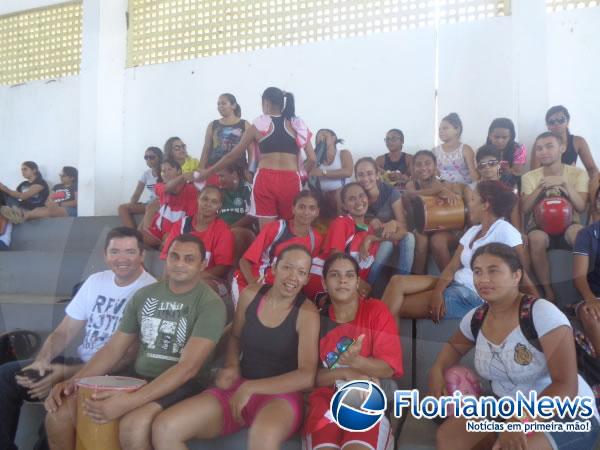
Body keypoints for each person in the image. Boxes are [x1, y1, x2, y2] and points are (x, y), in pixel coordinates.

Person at [44, 234, 227, 450]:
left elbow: (188, 368)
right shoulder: (144, 295)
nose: (179, 264)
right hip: (138, 377)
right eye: (174, 256)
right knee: (60, 413)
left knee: (133, 425)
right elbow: (114, 348)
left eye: (189, 259)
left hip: (184, 384)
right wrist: (76, 381)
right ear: (165, 258)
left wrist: (129, 402)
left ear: (202, 264)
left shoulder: (210, 304)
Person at [430, 243, 600, 450]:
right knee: (449, 437)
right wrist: (437, 371)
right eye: (477, 272)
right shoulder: (476, 318)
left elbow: (566, 386)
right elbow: (452, 349)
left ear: (516, 275)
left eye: (493, 271)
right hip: (506, 408)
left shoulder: (541, 313)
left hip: (564, 411)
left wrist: (521, 420)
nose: (483, 279)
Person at [0, 227, 155, 450]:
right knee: (7, 376)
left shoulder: (150, 290)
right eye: (115, 251)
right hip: (79, 364)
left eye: (130, 252)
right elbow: (64, 331)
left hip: (115, 375)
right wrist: (42, 361)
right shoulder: (96, 281)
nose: (122, 259)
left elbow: (125, 358)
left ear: (142, 255)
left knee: (58, 409)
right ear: (105, 255)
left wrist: (66, 374)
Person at [151, 245, 319, 450]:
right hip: (238, 386)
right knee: (165, 428)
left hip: (281, 396)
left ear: (307, 279)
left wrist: (251, 388)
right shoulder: (250, 295)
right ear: (274, 268)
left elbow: (306, 376)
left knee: (261, 439)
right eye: (287, 268)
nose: (293, 277)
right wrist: (231, 365)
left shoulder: (307, 312)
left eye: (301, 272)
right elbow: (235, 336)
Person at [383, 180, 536, 321]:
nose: (468, 205)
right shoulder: (473, 231)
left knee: (395, 305)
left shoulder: (505, 230)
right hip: (456, 282)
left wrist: (540, 308)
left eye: (473, 200)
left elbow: (523, 274)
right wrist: (438, 292)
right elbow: (451, 267)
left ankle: (372, 344)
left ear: (485, 205)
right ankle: (377, 345)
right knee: (397, 282)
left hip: (471, 295)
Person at [302, 253, 403, 450]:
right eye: (335, 275)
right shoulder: (316, 320)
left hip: (367, 400)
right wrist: (346, 371)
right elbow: (309, 377)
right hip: (324, 403)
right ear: (324, 282)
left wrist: (357, 362)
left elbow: (388, 368)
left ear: (358, 282)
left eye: (349, 275)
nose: (342, 281)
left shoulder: (376, 311)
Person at [194, 87, 317, 229]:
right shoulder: (297, 125)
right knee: (289, 228)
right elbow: (312, 159)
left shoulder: (258, 125)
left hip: (265, 179)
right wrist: (299, 176)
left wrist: (207, 173)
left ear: (266, 103)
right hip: (291, 179)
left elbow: (232, 155)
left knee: (267, 232)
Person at [306, 182, 403, 302]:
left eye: (362, 196)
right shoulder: (342, 222)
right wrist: (357, 281)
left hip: (353, 284)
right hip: (325, 279)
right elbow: (336, 257)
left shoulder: (372, 228)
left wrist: (371, 238)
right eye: (352, 199)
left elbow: (404, 234)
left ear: (367, 199)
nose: (358, 202)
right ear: (345, 206)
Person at [522, 131, 589, 301]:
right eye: (539, 148)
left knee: (580, 235)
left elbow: (581, 207)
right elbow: (525, 208)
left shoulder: (578, 174)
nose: (543, 151)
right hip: (539, 226)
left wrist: (564, 184)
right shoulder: (529, 177)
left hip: (569, 224)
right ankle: (548, 292)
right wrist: (540, 188)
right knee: (536, 239)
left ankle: (586, 289)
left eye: (549, 146)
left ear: (562, 148)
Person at [232, 190, 322, 306]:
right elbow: (244, 261)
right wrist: (254, 286)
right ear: (293, 209)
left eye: (311, 208)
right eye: (301, 207)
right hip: (251, 280)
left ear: (317, 212)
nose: (306, 212)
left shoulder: (316, 239)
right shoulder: (276, 229)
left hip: (283, 289)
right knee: (248, 319)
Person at [354, 157, 414, 290]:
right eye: (360, 174)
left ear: (377, 175)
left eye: (369, 173)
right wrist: (369, 223)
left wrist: (394, 223)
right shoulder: (355, 194)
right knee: (386, 245)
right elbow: (351, 222)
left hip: (388, 235)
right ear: (356, 177)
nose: (365, 178)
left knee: (409, 238)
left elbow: (404, 226)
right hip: (367, 236)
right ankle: (368, 287)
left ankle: (401, 285)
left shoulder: (390, 192)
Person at [404, 150, 465, 274]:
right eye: (419, 164)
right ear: (413, 167)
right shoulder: (412, 184)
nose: (423, 168)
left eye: (428, 163)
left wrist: (444, 190)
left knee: (437, 240)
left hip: (445, 229)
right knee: (422, 240)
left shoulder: (445, 184)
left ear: (435, 165)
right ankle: (418, 277)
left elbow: (456, 212)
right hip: (419, 227)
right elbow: (411, 194)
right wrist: (437, 191)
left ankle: (451, 280)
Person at [161, 185, 234, 280]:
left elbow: (222, 267)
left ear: (219, 205)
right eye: (205, 199)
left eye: (214, 202)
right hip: (179, 274)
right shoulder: (181, 224)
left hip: (208, 280)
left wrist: (192, 279)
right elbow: (168, 256)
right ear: (198, 198)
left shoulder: (223, 231)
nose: (208, 204)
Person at [143, 159, 198, 249]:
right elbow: (167, 188)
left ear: (179, 171)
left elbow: (190, 218)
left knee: (168, 241)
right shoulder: (159, 186)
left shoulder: (191, 189)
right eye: (163, 171)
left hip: (178, 231)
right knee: (137, 238)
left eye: (169, 169)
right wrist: (183, 177)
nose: (166, 173)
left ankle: (163, 246)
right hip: (158, 231)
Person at [199, 93, 251, 186]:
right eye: (218, 104)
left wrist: (251, 171)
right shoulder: (212, 125)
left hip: (238, 170)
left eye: (223, 103)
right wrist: (200, 171)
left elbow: (251, 151)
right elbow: (206, 149)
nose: (220, 106)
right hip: (214, 169)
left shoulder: (244, 124)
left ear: (233, 105)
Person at [532, 105, 598, 177]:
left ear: (568, 121)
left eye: (561, 119)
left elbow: (593, 170)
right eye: (552, 121)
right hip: (547, 184)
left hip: (572, 184)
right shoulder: (540, 143)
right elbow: (534, 174)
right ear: (547, 125)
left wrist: (590, 186)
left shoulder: (578, 142)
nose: (556, 123)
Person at [5, 166, 79, 223]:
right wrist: (51, 204)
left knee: (50, 210)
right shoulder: (57, 186)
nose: (60, 177)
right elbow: (48, 200)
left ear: (72, 177)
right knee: (38, 209)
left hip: (69, 210)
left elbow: (76, 202)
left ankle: (21, 216)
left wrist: (58, 204)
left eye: (63, 175)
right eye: (60, 174)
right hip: (52, 207)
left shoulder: (76, 186)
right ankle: (21, 215)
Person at [216, 163, 257, 262]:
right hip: (222, 231)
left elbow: (252, 216)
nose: (219, 180)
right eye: (218, 177)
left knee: (235, 234)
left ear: (233, 174)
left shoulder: (247, 189)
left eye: (222, 176)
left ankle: (232, 271)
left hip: (245, 233)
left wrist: (229, 229)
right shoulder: (219, 192)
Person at [476, 145, 522, 230]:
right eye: (482, 165)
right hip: (483, 228)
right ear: (478, 168)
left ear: (499, 164)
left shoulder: (510, 183)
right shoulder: (477, 188)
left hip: (506, 227)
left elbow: (514, 211)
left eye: (492, 163)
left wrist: (518, 233)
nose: (487, 168)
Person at [308, 128, 353, 217]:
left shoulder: (343, 153)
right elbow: (306, 173)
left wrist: (323, 173)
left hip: (341, 192)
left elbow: (348, 172)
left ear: (334, 138)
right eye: (318, 137)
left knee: (339, 194)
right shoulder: (314, 158)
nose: (321, 138)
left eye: (324, 135)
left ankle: (342, 223)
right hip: (322, 194)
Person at [118, 146, 163, 229]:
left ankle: (137, 235)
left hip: (160, 204)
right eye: (146, 157)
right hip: (149, 204)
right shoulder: (146, 174)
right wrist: (132, 205)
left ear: (159, 157)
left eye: (152, 157)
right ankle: (132, 233)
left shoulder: (165, 171)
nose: (148, 160)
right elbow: (137, 193)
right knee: (122, 208)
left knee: (142, 227)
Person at [433, 113, 478, 185]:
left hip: (464, 188)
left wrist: (476, 188)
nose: (441, 131)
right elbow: (434, 173)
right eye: (439, 129)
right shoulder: (435, 151)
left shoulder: (465, 149)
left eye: (445, 128)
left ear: (457, 129)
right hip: (443, 188)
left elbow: (473, 172)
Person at [486, 117, 527, 189]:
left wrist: (506, 169)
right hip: (489, 181)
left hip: (511, 183)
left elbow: (517, 172)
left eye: (504, 137)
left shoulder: (518, 148)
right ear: (490, 136)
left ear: (511, 137)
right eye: (496, 137)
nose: (500, 141)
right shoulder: (484, 150)